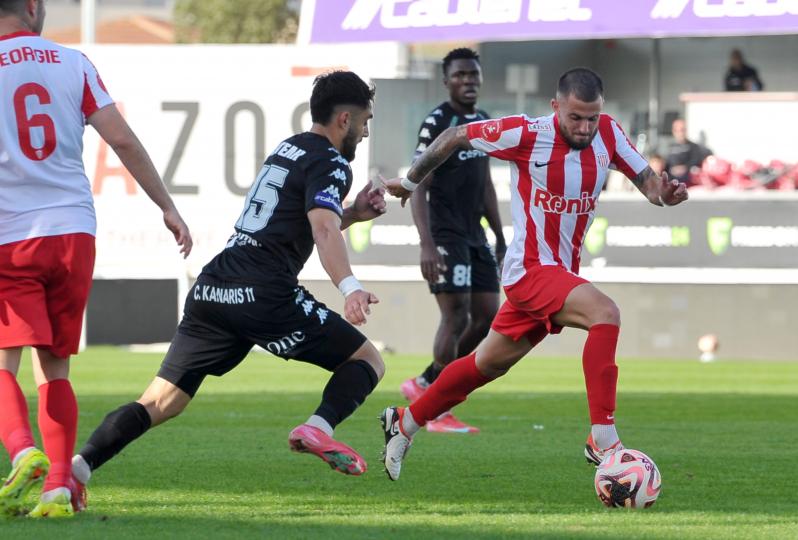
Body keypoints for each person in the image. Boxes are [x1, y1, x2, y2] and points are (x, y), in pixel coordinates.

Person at [70, 70, 388, 506]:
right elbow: (322, 229)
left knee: (160, 402)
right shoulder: (332, 162)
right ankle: (318, 427)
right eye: (366, 121)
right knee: (367, 360)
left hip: (214, 287)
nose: (366, 132)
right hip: (264, 291)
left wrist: (352, 212)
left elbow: (301, 222)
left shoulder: (289, 148)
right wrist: (350, 287)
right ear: (345, 119)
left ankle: (78, 468)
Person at [379, 67, 688, 481]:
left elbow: (649, 184)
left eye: (592, 117)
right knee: (605, 313)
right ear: (555, 106)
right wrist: (410, 181)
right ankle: (604, 439)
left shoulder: (609, 134)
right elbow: (454, 136)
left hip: (558, 274)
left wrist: (664, 195)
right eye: (575, 117)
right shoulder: (526, 134)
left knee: (485, 365)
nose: (585, 128)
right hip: (529, 270)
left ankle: (405, 422)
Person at [0, 0, 192, 518]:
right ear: (33, 8)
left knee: (3, 361)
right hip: (73, 233)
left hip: (9, 234)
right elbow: (122, 139)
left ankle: (22, 451)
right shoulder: (73, 63)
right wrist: (167, 206)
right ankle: (58, 490)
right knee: (54, 367)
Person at [401, 48, 505, 434]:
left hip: (476, 236)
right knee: (456, 316)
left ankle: (428, 382)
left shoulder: (484, 123)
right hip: (445, 234)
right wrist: (426, 243)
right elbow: (417, 183)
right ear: (446, 81)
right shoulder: (437, 123)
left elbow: (486, 184)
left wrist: (499, 235)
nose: (468, 80)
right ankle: (436, 411)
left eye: (473, 74)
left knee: (488, 316)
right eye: (460, 75)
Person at [665, 119, 712, 184]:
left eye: (682, 130)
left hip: (688, 179)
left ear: (686, 130)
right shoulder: (669, 147)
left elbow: (697, 161)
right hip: (671, 179)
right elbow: (665, 164)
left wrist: (684, 168)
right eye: (677, 130)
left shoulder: (694, 147)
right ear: (673, 131)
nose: (680, 133)